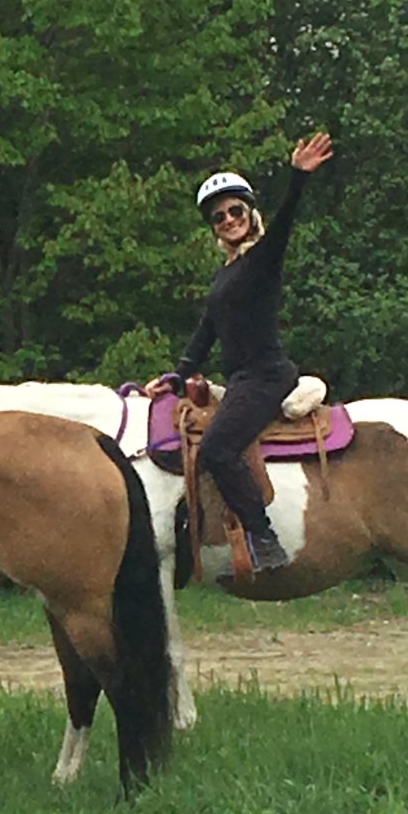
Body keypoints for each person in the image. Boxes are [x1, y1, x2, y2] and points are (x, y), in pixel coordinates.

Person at [146, 131, 334, 572]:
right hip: (243, 381)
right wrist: (176, 376)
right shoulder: (224, 276)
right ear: (214, 227)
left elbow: (285, 223)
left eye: (235, 210)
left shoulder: (263, 259)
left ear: (250, 214)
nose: (228, 219)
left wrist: (298, 178)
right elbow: (205, 333)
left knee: (217, 449)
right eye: (219, 216)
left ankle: (263, 536)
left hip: (267, 376)